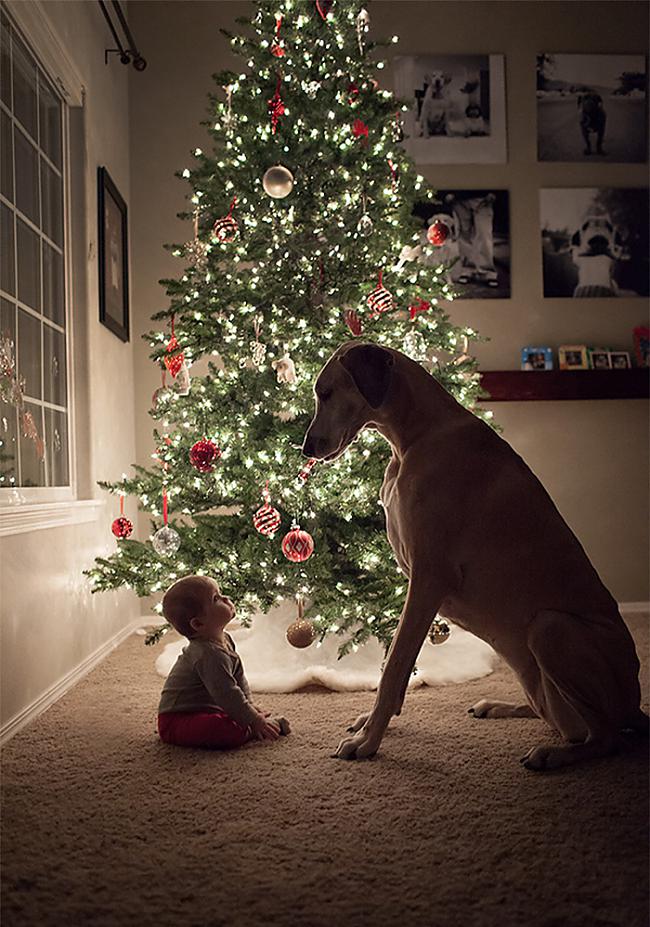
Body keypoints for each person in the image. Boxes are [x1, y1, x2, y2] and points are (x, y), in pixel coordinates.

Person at [157, 575, 290, 749]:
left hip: (207, 709)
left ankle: (250, 723)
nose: (226, 599)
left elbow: (238, 677)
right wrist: (255, 721)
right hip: (177, 721)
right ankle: (255, 730)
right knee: (225, 729)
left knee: (236, 713)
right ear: (198, 623)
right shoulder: (208, 654)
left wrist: (249, 706)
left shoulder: (225, 639)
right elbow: (226, 692)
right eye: (216, 599)